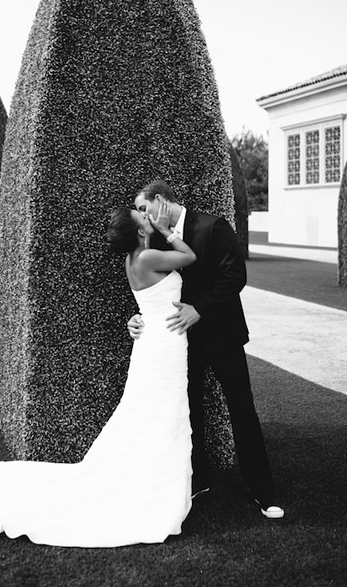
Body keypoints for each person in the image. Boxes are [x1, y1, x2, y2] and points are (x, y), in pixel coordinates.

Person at [0, 201, 197, 546]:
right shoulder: (149, 257)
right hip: (162, 345)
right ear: (141, 231)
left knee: (153, 413)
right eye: (143, 217)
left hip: (157, 340)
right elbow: (189, 256)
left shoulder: (134, 259)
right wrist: (169, 231)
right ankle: (155, 492)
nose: (148, 216)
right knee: (160, 412)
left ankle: (154, 485)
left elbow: (148, 303)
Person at [129, 180, 284, 519]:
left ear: (159, 201)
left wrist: (198, 309)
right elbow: (149, 287)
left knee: (242, 411)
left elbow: (235, 276)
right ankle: (198, 481)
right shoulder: (155, 239)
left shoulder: (212, 226)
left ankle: (263, 491)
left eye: (143, 208)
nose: (142, 216)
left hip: (224, 336)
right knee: (190, 412)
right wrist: (138, 318)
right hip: (179, 342)